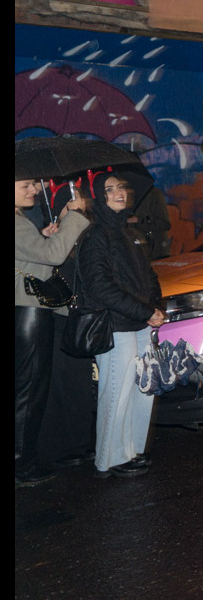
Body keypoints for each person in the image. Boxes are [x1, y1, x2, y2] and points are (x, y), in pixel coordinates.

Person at [77, 172, 166, 478]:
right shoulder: (96, 236)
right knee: (117, 394)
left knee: (141, 391)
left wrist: (157, 308)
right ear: (98, 198)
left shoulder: (130, 233)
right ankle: (109, 460)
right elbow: (101, 287)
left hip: (138, 323)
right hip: (116, 327)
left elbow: (149, 277)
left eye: (121, 188)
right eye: (109, 189)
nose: (119, 193)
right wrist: (145, 311)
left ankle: (130, 451)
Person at [15, 177, 91, 487]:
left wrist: (44, 237)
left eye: (34, 185)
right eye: (26, 186)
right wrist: (74, 216)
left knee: (26, 389)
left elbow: (38, 256)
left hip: (25, 312)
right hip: (29, 314)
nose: (34, 190)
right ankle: (22, 465)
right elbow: (54, 257)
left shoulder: (21, 221)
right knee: (29, 391)